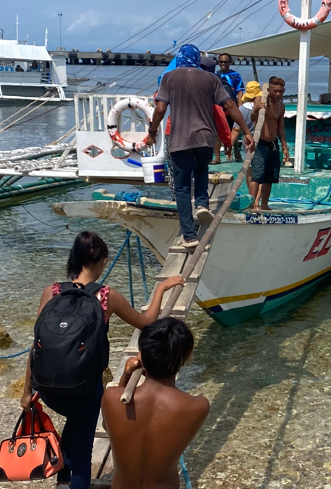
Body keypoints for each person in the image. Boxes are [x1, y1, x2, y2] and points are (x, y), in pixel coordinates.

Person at [19, 231, 186, 489]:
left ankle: (63, 481)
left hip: (49, 389)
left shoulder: (51, 292)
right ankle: (74, 482)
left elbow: (35, 345)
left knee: (73, 422)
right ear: (102, 261)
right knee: (84, 448)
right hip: (84, 388)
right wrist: (161, 288)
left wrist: (27, 391)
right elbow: (146, 322)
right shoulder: (106, 296)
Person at [146, 44, 253, 248]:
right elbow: (229, 107)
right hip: (206, 139)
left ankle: (189, 236)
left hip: (180, 140)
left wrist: (152, 132)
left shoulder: (169, 78)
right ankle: (202, 204)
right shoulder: (212, 79)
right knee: (202, 170)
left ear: (179, 59)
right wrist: (246, 132)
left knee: (183, 187)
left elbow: (160, 108)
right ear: (196, 59)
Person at [102, 317, 209, 489]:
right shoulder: (198, 406)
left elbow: (109, 426)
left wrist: (126, 376)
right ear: (184, 358)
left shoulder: (111, 397)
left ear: (142, 356)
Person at [248, 78, 290, 211]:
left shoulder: (281, 106)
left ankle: (264, 205)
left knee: (269, 177)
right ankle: (252, 204)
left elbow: (281, 128)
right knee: (257, 175)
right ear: (268, 90)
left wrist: (284, 146)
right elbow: (252, 118)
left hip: (273, 144)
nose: (278, 94)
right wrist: (255, 110)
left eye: (281, 91)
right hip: (259, 143)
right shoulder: (261, 100)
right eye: (275, 91)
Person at [229, 80, 263, 162]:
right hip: (262, 140)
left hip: (247, 141)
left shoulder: (242, 109)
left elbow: (236, 129)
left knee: (249, 166)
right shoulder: (263, 108)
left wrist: (229, 147)